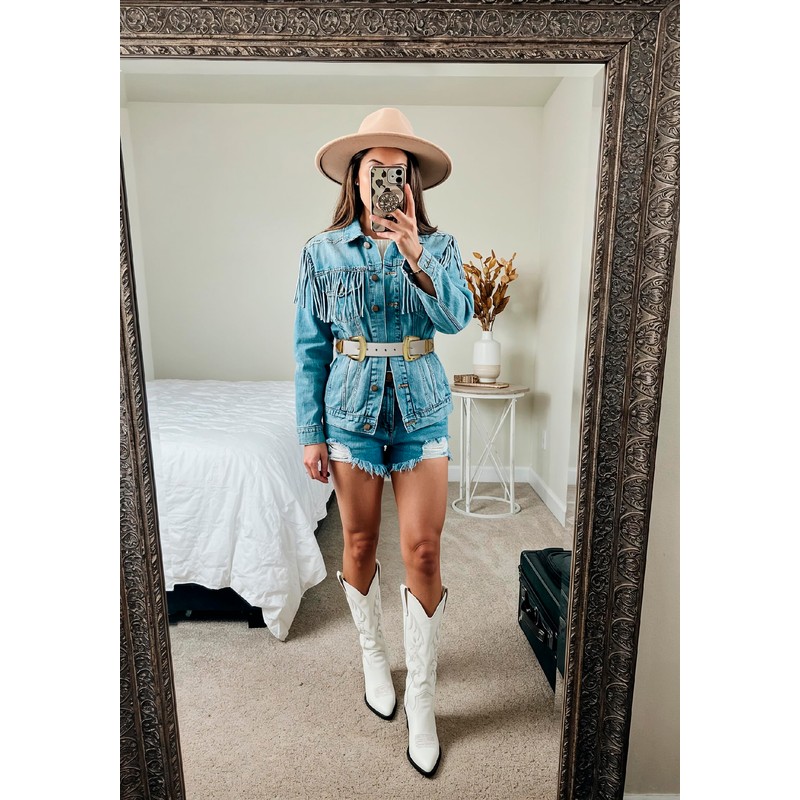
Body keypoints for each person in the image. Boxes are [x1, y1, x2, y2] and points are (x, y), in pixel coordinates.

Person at [292, 107, 474, 778]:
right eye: (377, 170)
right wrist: (310, 432)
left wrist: (415, 255)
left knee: (423, 548)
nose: (388, 182)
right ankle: (374, 655)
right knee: (360, 542)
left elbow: (456, 318)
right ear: (357, 177)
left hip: (421, 411)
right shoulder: (321, 252)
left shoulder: (440, 246)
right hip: (349, 414)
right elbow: (310, 348)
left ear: (412, 182)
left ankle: (421, 699)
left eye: (399, 172)